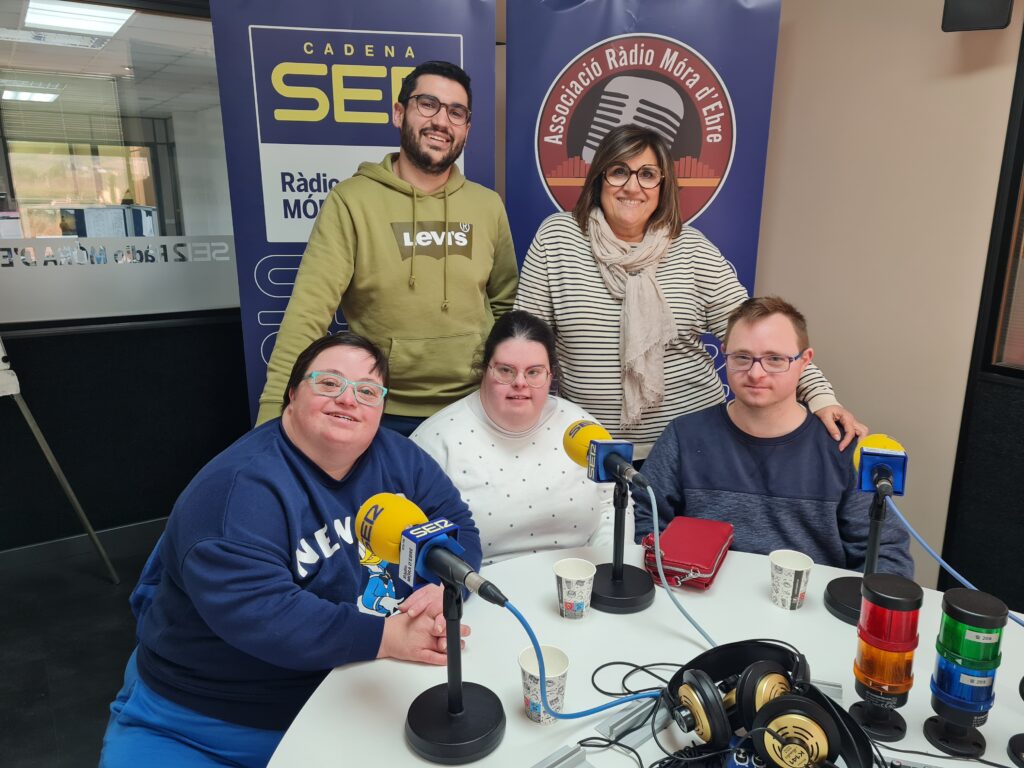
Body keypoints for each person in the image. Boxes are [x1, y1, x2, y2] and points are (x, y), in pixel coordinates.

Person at [100, 332, 480, 767]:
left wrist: (444, 586)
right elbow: (264, 613)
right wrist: (388, 636)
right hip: (201, 718)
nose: (348, 399)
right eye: (329, 383)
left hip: (346, 688)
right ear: (293, 393)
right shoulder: (235, 492)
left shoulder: (399, 458)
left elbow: (457, 526)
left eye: (367, 391)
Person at [514, 124, 864, 459]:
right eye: (619, 171)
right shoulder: (557, 239)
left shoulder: (691, 249)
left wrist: (820, 396)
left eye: (648, 175)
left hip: (692, 448)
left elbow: (761, 332)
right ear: (599, 178)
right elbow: (524, 343)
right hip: (591, 448)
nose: (632, 187)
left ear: (663, 186)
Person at [256, 60, 518, 436]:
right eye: (428, 104)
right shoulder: (351, 201)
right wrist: (271, 420)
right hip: (377, 410)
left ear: (466, 128)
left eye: (456, 112)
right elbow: (308, 315)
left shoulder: (487, 205)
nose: (441, 121)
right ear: (399, 112)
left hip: (474, 408)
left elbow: (505, 306)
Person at [633, 297, 912, 577]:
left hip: (808, 608)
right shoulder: (684, 436)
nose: (756, 373)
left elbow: (885, 553)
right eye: (742, 357)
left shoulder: (842, 447)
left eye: (775, 359)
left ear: (805, 361)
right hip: (700, 598)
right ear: (724, 354)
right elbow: (644, 524)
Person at [410, 310, 623, 565]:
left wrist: (606, 569)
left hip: (581, 582)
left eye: (534, 372)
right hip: (478, 589)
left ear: (550, 376)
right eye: (506, 370)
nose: (520, 382)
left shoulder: (581, 427)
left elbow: (613, 504)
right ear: (484, 370)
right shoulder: (436, 439)